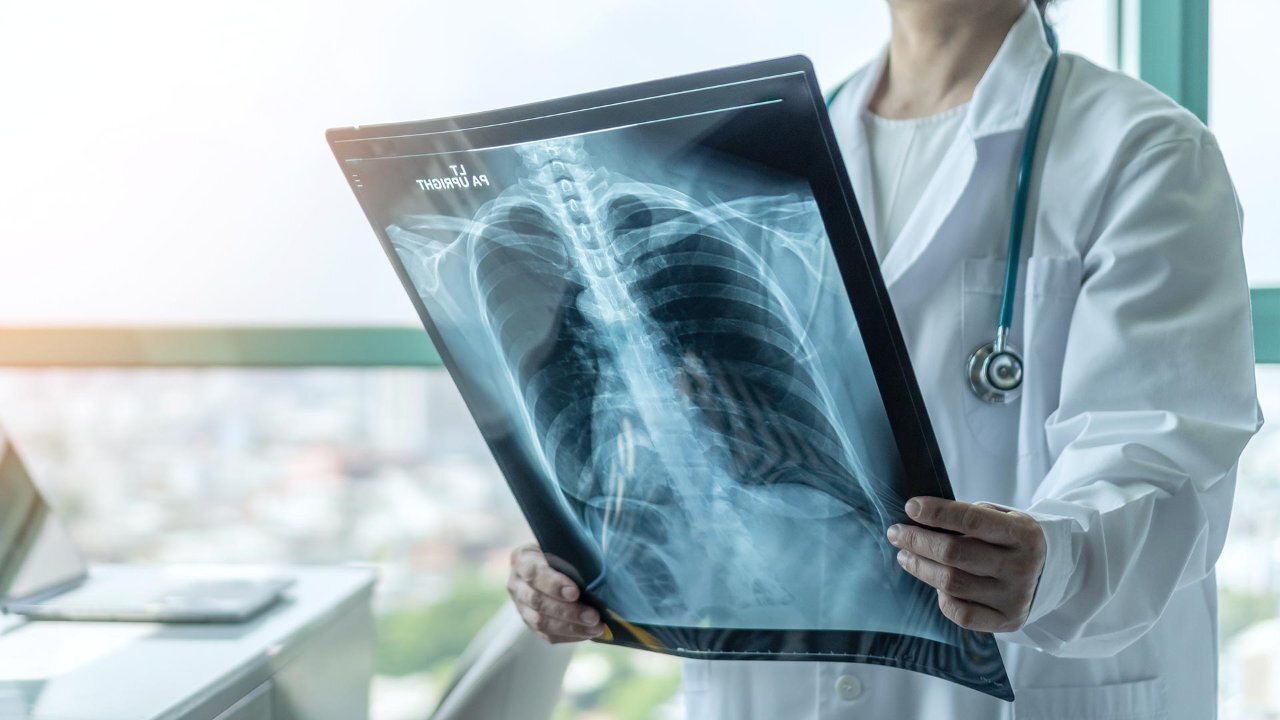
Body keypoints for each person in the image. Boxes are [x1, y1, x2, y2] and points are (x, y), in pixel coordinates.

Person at [506, 0, 1263, 717]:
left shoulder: (1141, 152)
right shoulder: (763, 161)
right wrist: (588, 552)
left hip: (1032, 692)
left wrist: (1054, 561)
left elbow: (1164, 457)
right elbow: (707, 456)